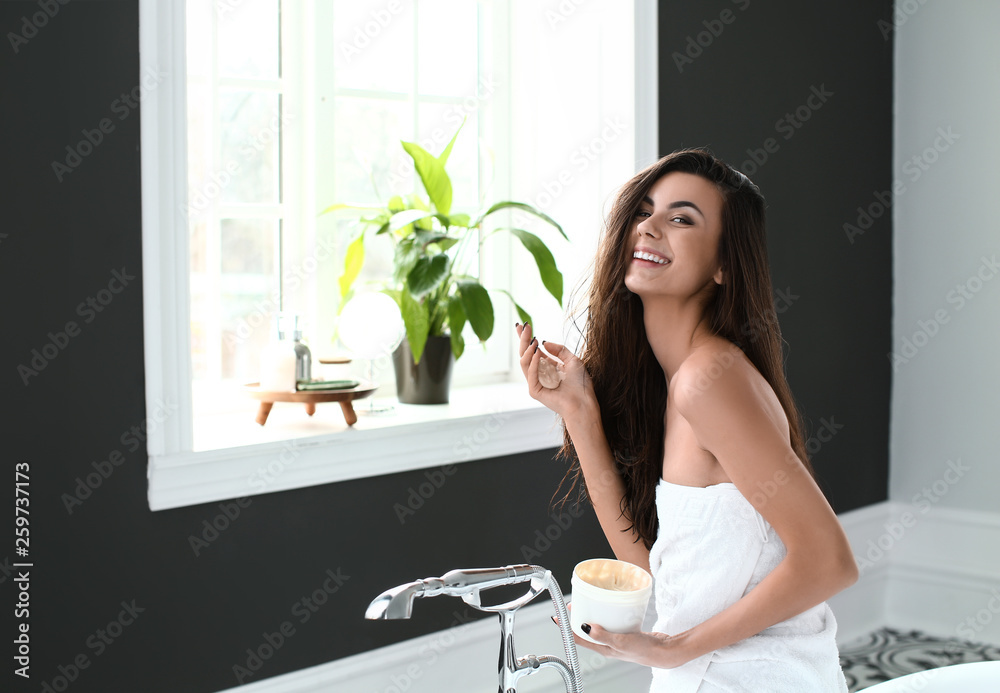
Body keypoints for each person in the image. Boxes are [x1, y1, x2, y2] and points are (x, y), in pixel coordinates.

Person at [514, 148, 858, 692]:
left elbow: (829, 561)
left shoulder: (709, 381)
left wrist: (673, 649)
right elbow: (660, 576)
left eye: (680, 218)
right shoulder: (686, 382)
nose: (648, 227)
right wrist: (580, 412)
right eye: (645, 211)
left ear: (724, 264)